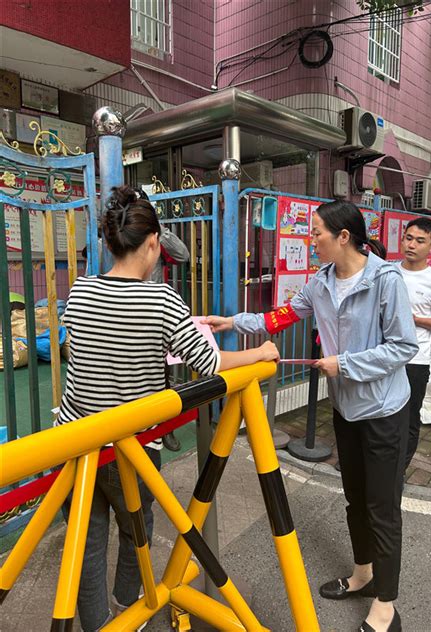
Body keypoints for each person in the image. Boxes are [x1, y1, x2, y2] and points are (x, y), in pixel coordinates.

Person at [57, 185, 279, 632]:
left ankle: (96, 623)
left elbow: (75, 352)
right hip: (129, 448)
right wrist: (261, 352)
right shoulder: (162, 301)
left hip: (74, 443)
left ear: (107, 243)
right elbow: (211, 363)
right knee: (135, 525)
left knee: (84, 539)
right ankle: (128, 604)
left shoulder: (79, 293)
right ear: (155, 243)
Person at [203, 200, 418, 632]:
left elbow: (403, 347)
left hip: (383, 411)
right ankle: (363, 573)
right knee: (356, 499)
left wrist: (346, 364)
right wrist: (231, 322)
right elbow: (279, 317)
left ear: (343, 237)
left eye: (316, 232)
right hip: (346, 409)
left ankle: (385, 605)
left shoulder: (385, 279)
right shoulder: (320, 283)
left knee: (382, 507)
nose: (311, 240)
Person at [134, 187, 191, 453]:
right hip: (120, 312)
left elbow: (182, 256)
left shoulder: (157, 238)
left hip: (151, 317)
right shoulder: (111, 237)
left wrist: (159, 229)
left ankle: (164, 429)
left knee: (160, 378)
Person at [398, 217, 431, 469]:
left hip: (415, 361)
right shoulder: (389, 272)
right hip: (383, 356)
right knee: (379, 414)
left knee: (409, 419)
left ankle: (398, 470)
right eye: (409, 238)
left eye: (420, 241)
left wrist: (415, 320)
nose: (412, 245)